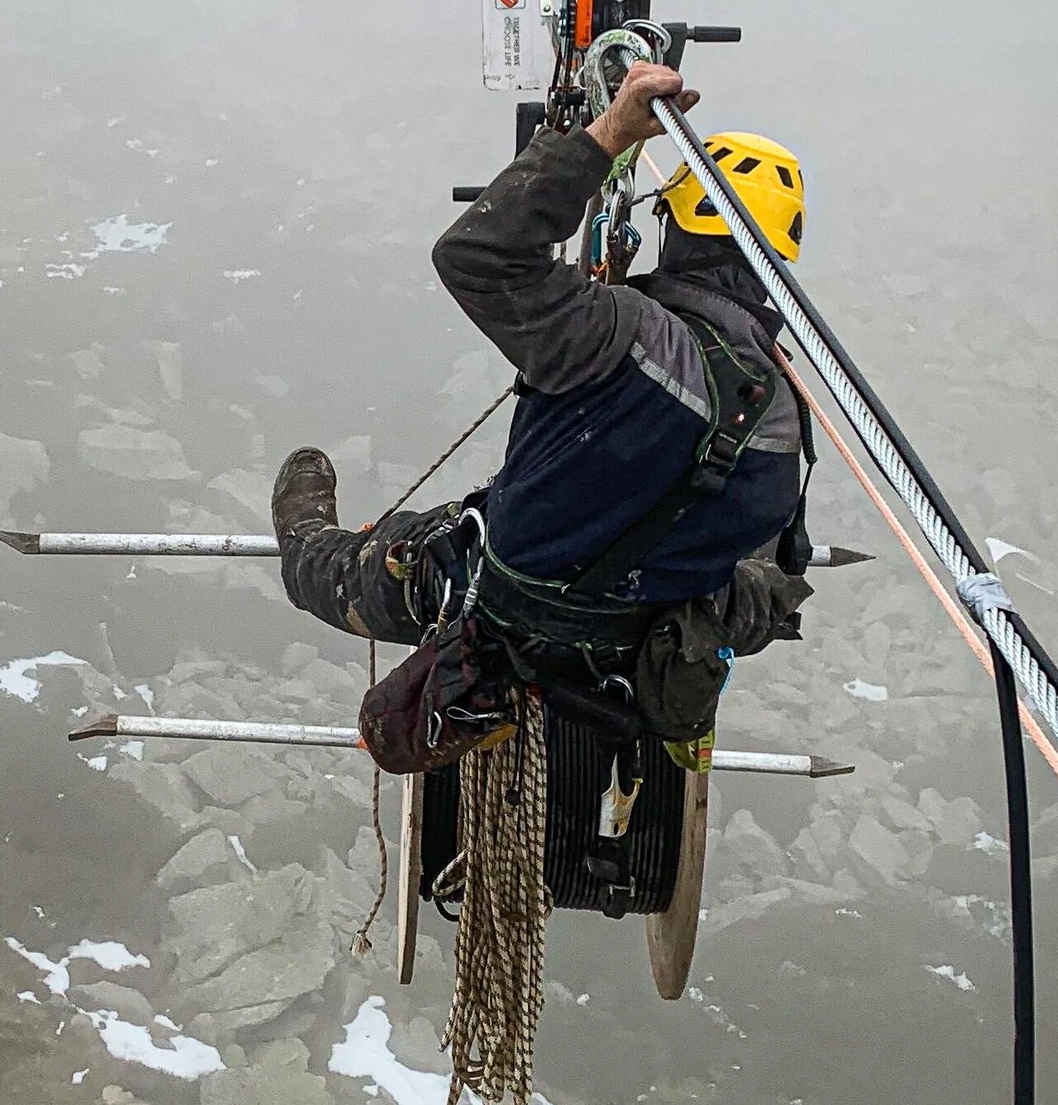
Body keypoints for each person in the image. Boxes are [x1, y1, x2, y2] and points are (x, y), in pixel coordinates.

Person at [272, 61, 812, 741]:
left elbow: (475, 255)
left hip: (499, 596)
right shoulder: (784, 418)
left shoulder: (613, 333)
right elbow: (759, 573)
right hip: (634, 656)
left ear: (672, 225)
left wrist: (606, 135)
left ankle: (303, 543)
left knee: (346, 570)